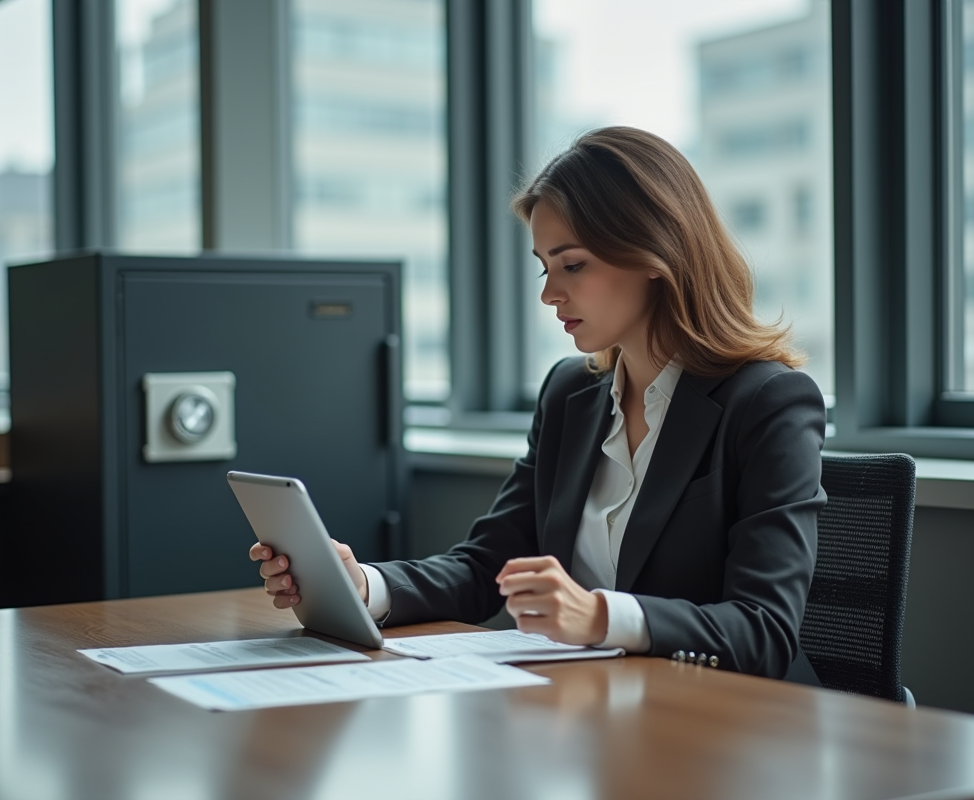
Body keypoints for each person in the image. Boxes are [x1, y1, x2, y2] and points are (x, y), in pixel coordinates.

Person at [250, 126, 826, 682]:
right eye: (545, 267)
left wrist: (599, 617)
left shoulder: (769, 402)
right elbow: (486, 567)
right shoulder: (570, 394)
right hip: (600, 713)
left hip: (729, 731)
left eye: (572, 264)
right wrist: (364, 587)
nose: (550, 293)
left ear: (656, 254)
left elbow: (764, 631)